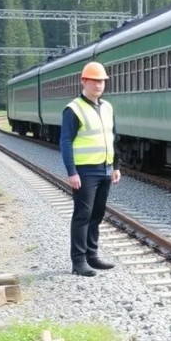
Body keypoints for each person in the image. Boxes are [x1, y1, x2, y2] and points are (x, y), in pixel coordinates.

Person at [60, 62, 121, 277]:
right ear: (83, 81)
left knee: (97, 214)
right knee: (82, 215)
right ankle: (78, 262)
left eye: (102, 81)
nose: (99, 84)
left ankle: (92, 256)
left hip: (104, 170)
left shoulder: (107, 107)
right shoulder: (73, 109)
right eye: (94, 80)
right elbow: (66, 142)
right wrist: (72, 171)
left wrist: (115, 166)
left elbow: (113, 137)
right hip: (85, 172)